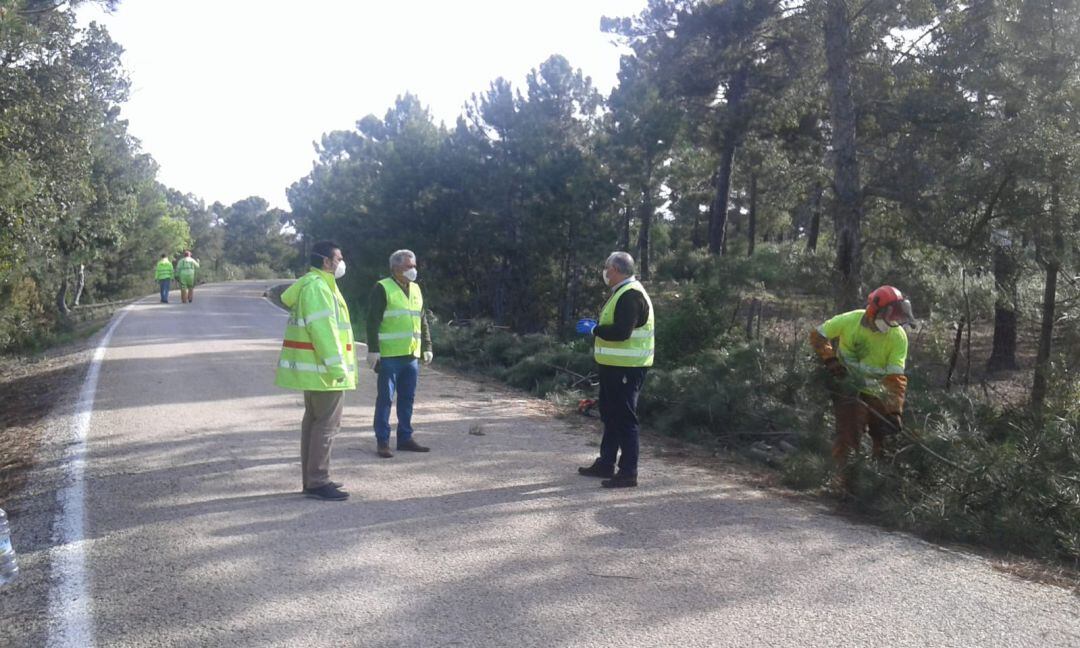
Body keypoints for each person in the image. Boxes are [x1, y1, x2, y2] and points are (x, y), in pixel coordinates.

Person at [275, 241, 357, 501]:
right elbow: (324, 331)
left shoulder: (313, 285)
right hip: (324, 371)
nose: (341, 262)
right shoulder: (319, 288)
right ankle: (318, 481)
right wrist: (336, 367)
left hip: (315, 370)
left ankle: (312, 478)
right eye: (339, 258)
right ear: (326, 261)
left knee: (313, 423)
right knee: (326, 426)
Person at [808, 286, 914, 475]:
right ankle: (844, 483)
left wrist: (894, 411)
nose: (893, 321)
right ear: (875, 310)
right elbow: (818, 335)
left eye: (896, 316)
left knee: (884, 440)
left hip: (879, 395)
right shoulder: (850, 320)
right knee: (848, 437)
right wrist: (830, 360)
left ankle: (877, 485)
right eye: (890, 315)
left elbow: (896, 377)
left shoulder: (898, 337)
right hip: (848, 387)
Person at [576, 251, 654, 488]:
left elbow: (622, 333)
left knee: (624, 419)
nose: (605, 272)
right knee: (610, 416)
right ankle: (606, 463)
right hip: (615, 367)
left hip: (627, 369)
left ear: (617, 270)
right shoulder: (622, 292)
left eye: (607, 267)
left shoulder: (631, 295)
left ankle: (628, 472)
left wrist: (594, 330)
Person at [366, 249, 433, 458]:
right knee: (385, 399)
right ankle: (383, 441)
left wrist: (427, 346)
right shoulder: (382, 288)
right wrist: (373, 350)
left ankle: (405, 438)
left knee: (407, 398)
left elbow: (422, 320)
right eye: (408, 267)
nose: (413, 270)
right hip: (389, 356)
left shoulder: (416, 289)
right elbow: (372, 321)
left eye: (414, 266)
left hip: (411, 354)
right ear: (395, 268)